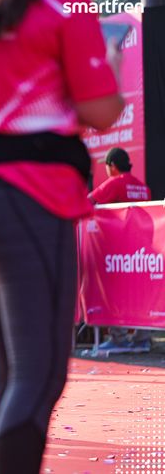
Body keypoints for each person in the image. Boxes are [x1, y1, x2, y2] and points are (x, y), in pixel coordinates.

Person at [0, 0, 123, 472]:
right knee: (38, 377)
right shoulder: (67, 3)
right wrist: (112, 62)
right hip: (29, 199)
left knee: (15, 376)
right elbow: (100, 110)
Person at [89, 147, 152, 353]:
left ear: (113, 166)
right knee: (141, 295)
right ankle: (142, 339)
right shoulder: (143, 187)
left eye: (107, 167)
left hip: (119, 252)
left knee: (115, 293)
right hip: (142, 252)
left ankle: (119, 338)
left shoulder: (115, 183)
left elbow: (88, 201)